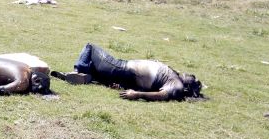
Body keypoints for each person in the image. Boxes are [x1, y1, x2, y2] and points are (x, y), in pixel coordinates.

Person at [51, 43, 203, 101]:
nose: (185, 75)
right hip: (124, 75)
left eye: (188, 77)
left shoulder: (176, 85)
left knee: (90, 47)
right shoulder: (171, 76)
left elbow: (162, 95)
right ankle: (89, 76)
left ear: (187, 84)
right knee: (95, 66)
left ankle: (79, 72)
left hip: (121, 68)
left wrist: (136, 95)